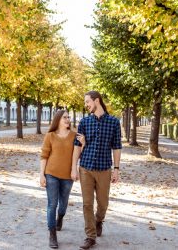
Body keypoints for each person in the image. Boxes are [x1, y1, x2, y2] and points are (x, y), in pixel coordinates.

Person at [72, 91, 122, 250]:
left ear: (97, 100)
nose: (86, 105)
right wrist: (74, 167)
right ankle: (90, 236)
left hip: (104, 169)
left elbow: (117, 147)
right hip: (85, 167)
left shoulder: (114, 122)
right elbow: (77, 146)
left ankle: (99, 220)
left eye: (88, 101)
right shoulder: (84, 122)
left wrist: (116, 169)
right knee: (87, 204)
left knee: (103, 204)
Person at [40, 110, 84, 249]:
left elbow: (78, 155)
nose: (67, 119)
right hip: (51, 174)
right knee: (52, 204)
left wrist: (83, 144)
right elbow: (44, 156)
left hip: (67, 176)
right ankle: (52, 234)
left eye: (68, 117)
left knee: (63, 204)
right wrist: (42, 174)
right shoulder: (50, 136)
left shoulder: (74, 136)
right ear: (58, 119)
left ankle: (61, 217)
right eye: (64, 117)